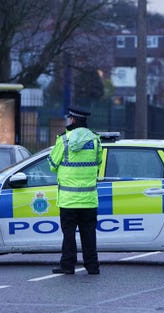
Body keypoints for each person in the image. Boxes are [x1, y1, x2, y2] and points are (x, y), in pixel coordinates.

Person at [48, 106, 102, 275]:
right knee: (89, 234)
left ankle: (68, 266)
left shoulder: (63, 140)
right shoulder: (95, 140)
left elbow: (52, 165)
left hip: (68, 199)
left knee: (69, 235)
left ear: (72, 120)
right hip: (89, 198)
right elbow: (98, 165)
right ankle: (92, 266)